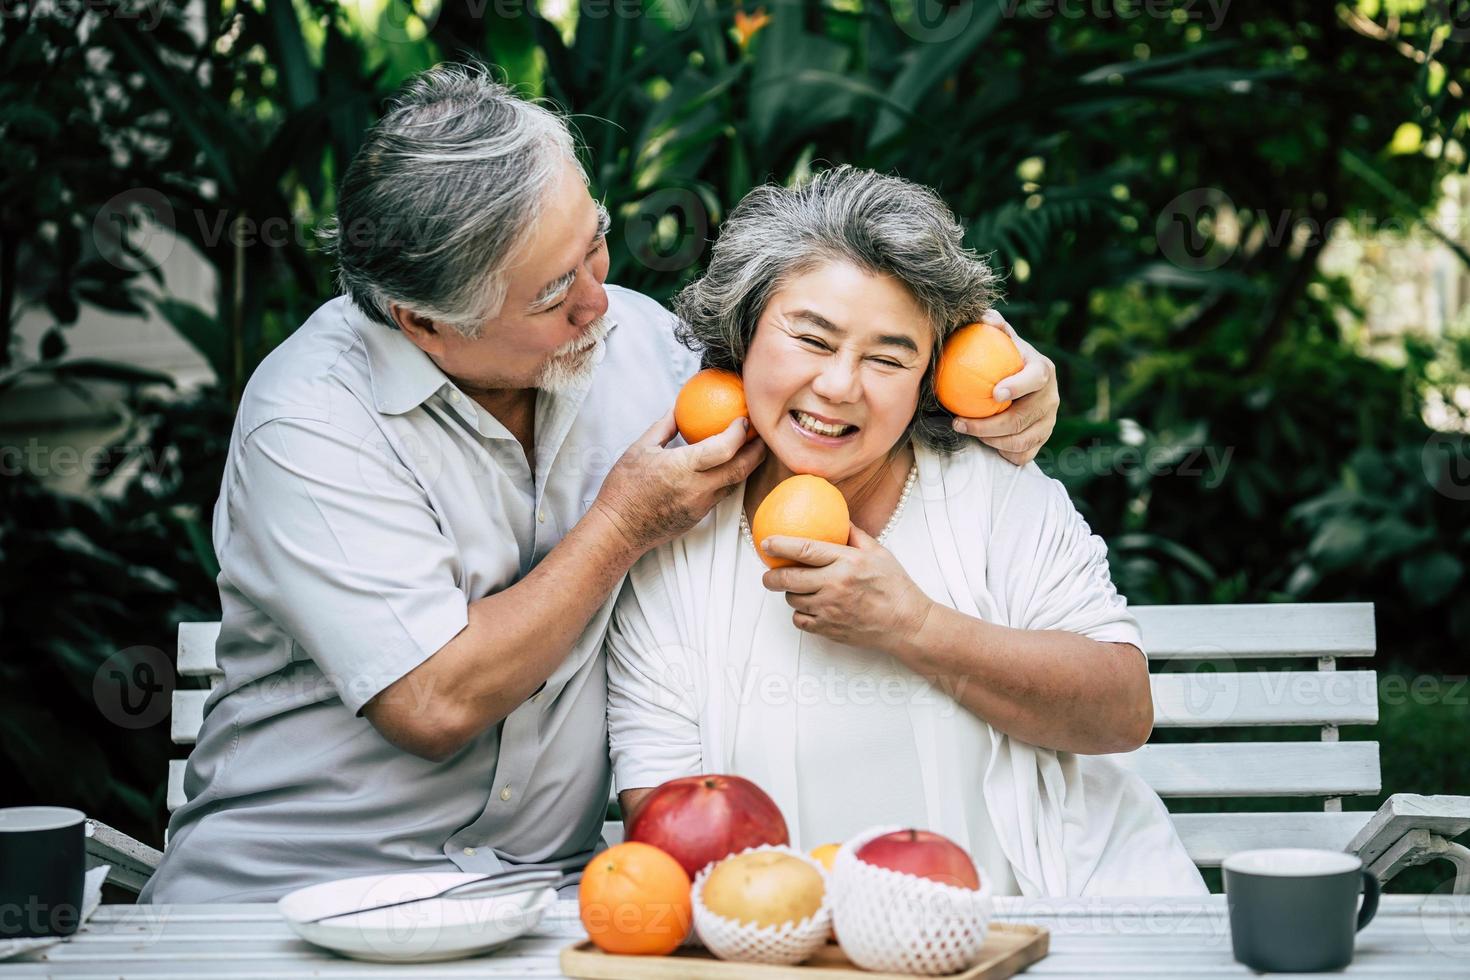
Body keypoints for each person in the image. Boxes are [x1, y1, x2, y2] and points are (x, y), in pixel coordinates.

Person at [139, 66, 1061, 903]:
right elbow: (433, 702)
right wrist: (621, 522)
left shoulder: (637, 344)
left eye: (596, 244)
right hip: (292, 895)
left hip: (544, 900)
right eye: (550, 294)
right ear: (423, 323)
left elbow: (823, 370)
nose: (597, 299)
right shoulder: (309, 421)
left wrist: (1000, 365)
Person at [608, 166, 1206, 897]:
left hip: (1043, 939)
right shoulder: (675, 540)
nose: (839, 386)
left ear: (928, 377)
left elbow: (1122, 712)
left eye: (889, 358)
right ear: (744, 333)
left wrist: (914, 625)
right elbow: (668, 826)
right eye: (812, 339)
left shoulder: (991, 495)